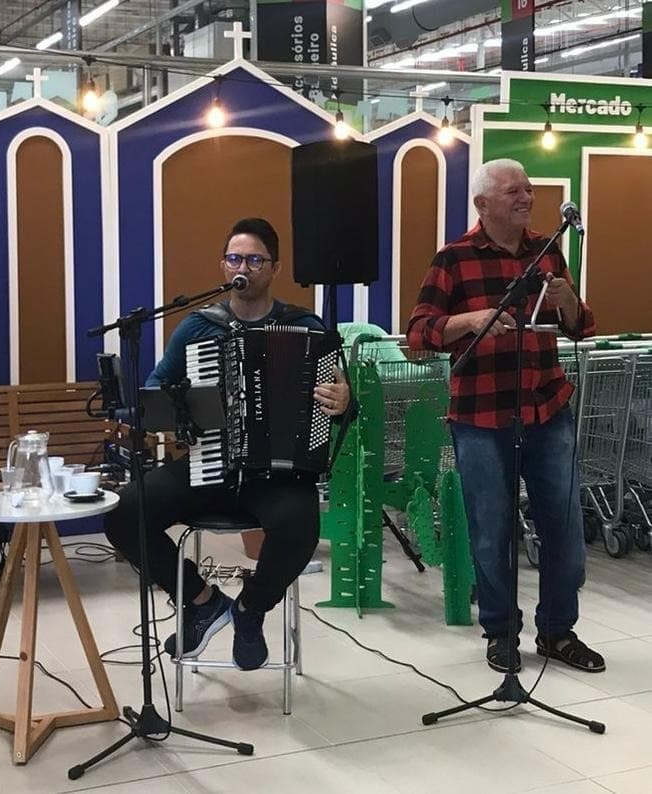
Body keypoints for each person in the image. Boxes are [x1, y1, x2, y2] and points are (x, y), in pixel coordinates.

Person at [103, 217, 351, 671]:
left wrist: (343, 401)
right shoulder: (199, 327)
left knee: (300, 526)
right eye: (235, 258)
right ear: (223, 265)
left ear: (274, 268)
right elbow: (157, 388)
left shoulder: (306, 327)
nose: (244, 267)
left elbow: (342, 402)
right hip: (209, 462)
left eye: (255, 260)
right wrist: (182, 411)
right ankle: (202, 601)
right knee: (124, 512)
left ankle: (249, 610)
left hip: (277, 475)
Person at [407, 158, 604, 675]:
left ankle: (558, 631)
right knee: (492, 531)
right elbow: (418, 335)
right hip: (481, 416)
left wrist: (567, 301)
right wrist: (466, 321)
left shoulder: (547, 251)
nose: (526, 197)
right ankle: (501, 632)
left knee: (564, 529)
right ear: (482, 203)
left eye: (528, 189)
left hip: (547, 407)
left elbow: (580, 327)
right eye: (513, 190)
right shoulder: (453, 258)